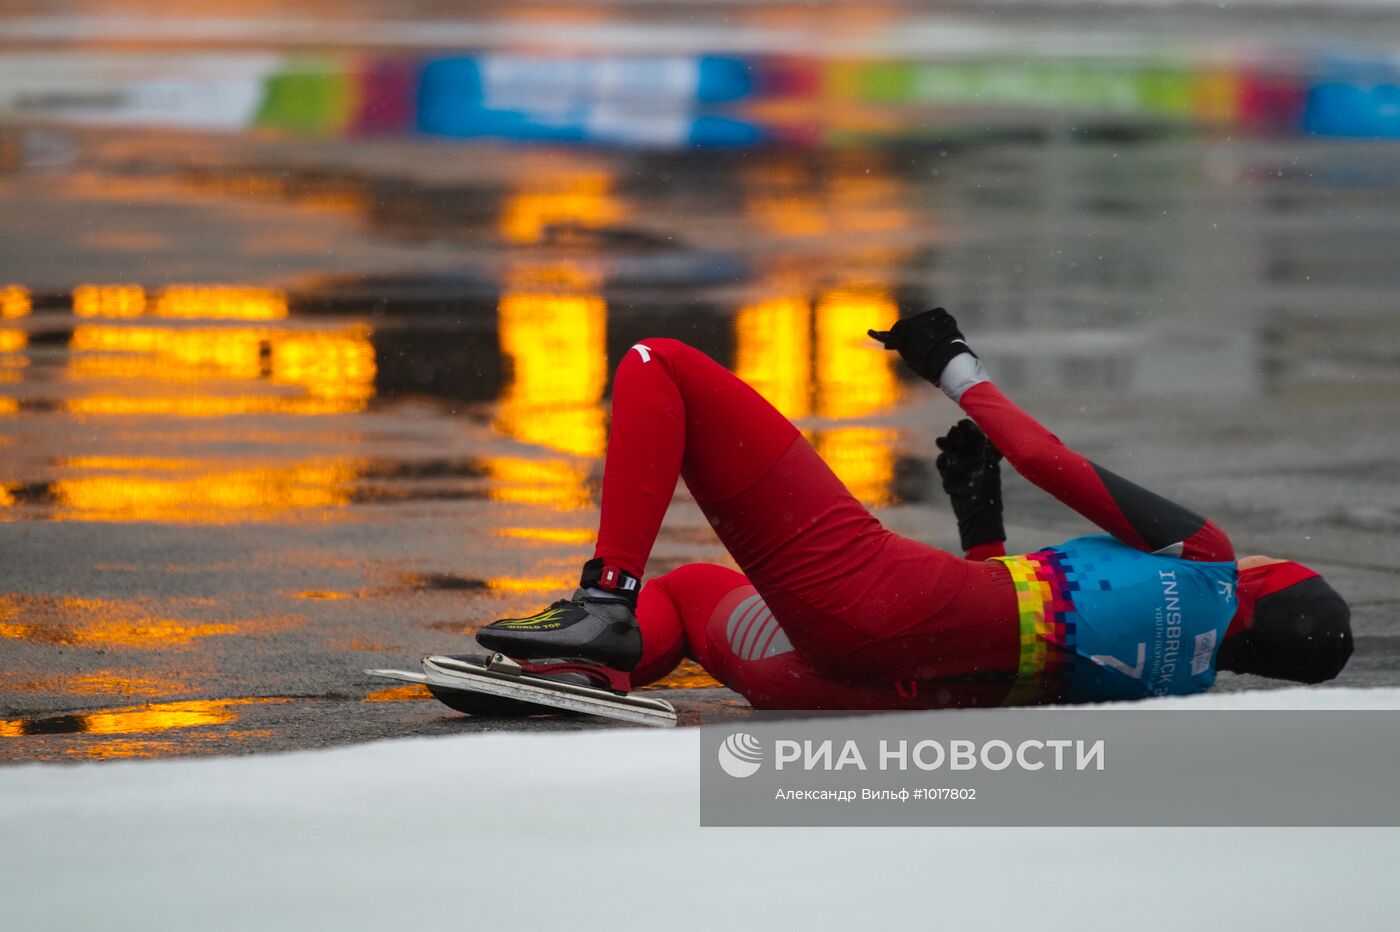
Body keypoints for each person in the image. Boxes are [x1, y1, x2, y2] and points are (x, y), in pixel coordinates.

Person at [475, 309, 1353, 709]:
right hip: (850, 684)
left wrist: (955, 366)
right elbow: (998, 655)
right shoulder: (1177, 681)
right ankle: (593, 671)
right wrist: (984, 530)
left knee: (656, 362)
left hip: (869, 599)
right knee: (701, 589)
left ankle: (606, 608)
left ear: (1274, 582)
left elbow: (1047, 457)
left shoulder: (1209, 559)